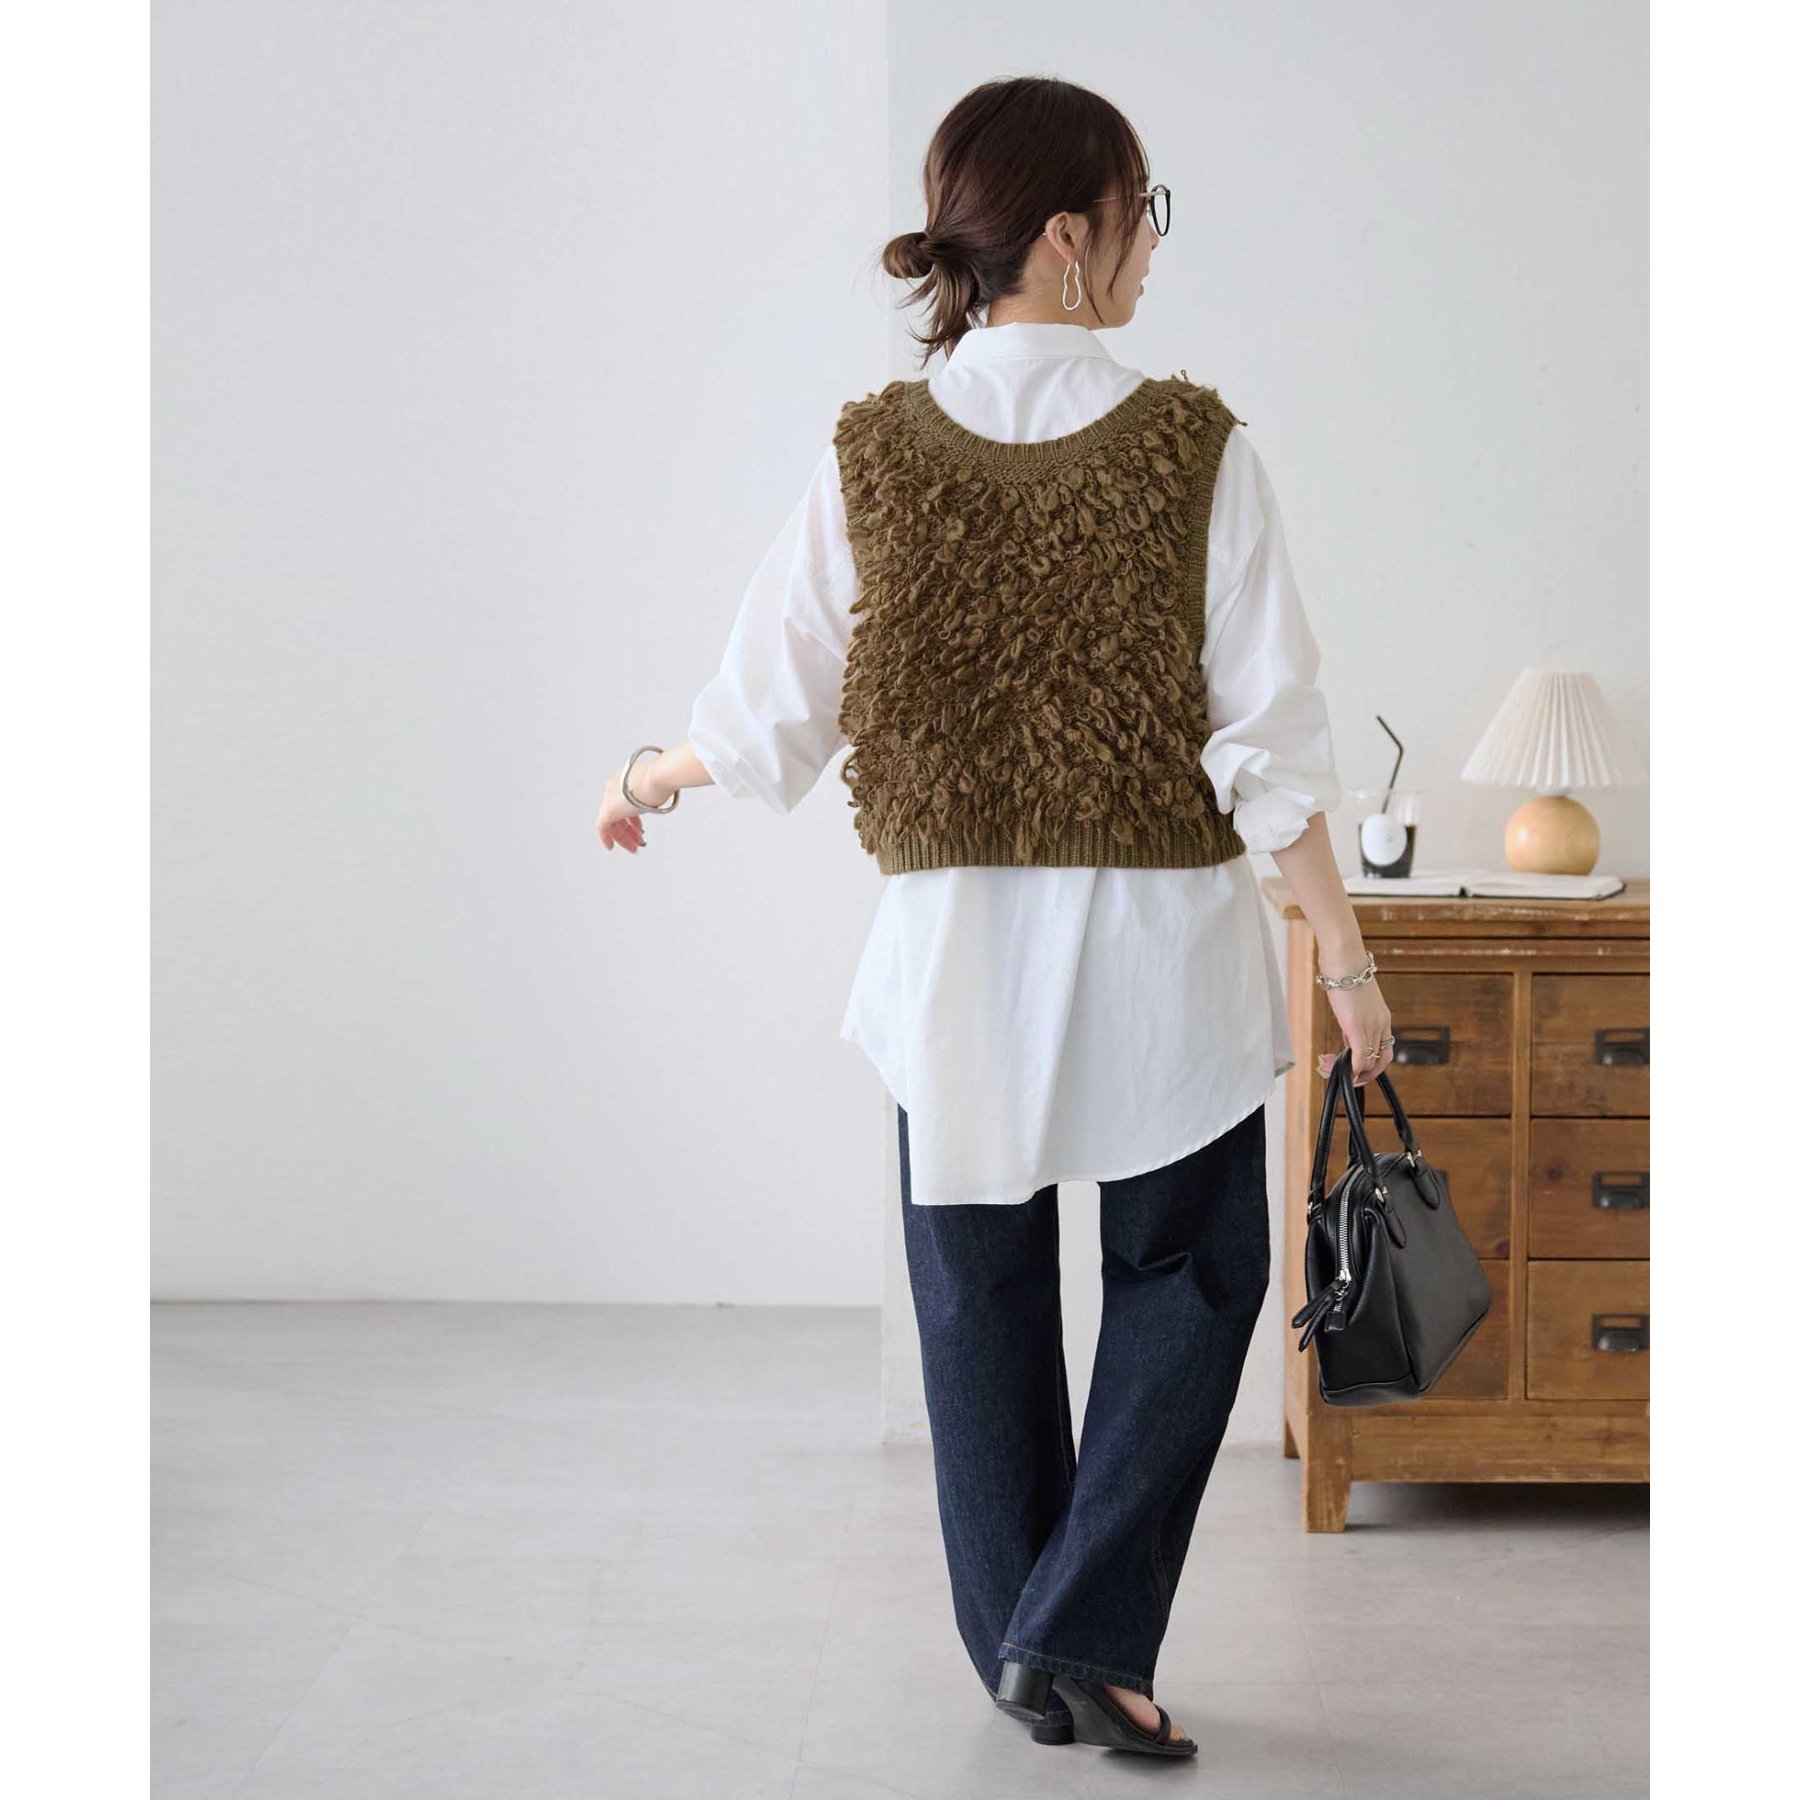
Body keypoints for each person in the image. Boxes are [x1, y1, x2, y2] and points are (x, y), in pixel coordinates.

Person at [595, 76, 1393, 1759]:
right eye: (1143, 211)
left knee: (977, 1301)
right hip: (1162, 958)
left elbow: (771, 708)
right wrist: (1350, 961)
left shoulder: (874, 456)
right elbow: (1272, 745)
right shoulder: (1197, 450)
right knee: (1193, 1277)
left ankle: (1035, 1648)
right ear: (1068, 233)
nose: (1154, 245)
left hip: (954, 968)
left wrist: (650, 775)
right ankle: (1080, 1633)